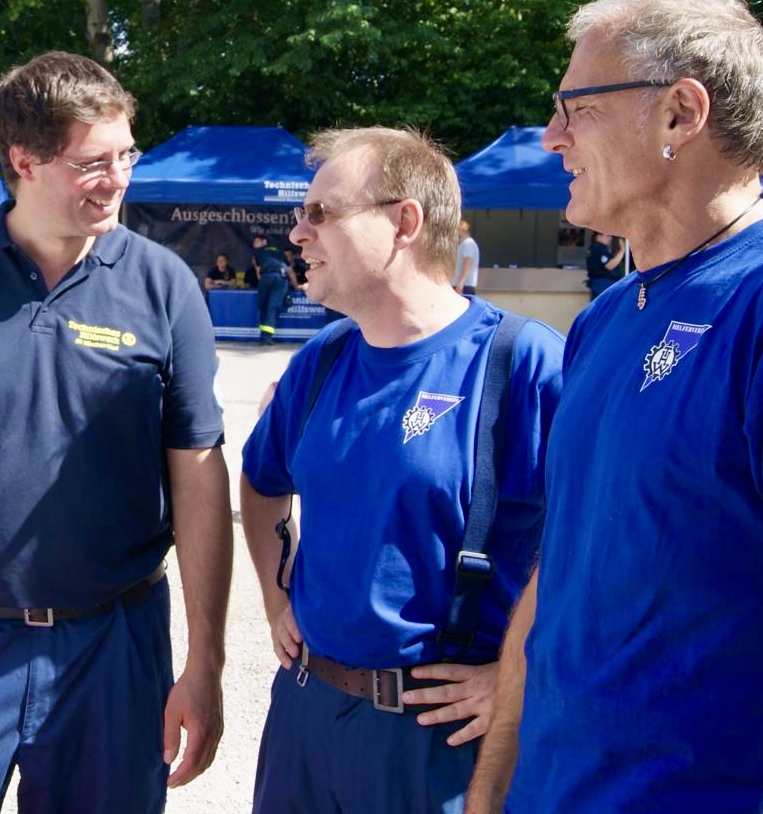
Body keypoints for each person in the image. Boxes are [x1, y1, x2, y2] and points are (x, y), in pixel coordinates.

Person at [467, 0, 763, 814]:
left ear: (679, 113)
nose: (550, 135)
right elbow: (556, 573)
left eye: (574, 106)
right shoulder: (607, 318)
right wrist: (490, 790)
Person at [0, 50, 231, 814]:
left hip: (111, 643)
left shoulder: (163, 287)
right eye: (93, 162)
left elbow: (197, 477)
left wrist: (206, 662)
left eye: (125, 153)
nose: (120, 177)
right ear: (23, 160)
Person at [239, 128, 564, 814]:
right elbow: (262, 482)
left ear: (403, 223)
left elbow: (596, 545)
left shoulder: (522, 365)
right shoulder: (320, 360)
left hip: (435, 742)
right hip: (304, 713)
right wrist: (277, 605)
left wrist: (518, 678)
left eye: (320, 213)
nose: (297, 233)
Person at [252, 229, 292, 343]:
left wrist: (262, 282)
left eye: (257, 242)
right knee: (272, 307)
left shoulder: (258, 252)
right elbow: (289, 270)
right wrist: (296, 285)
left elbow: (258, 270)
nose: (255, 245)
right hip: (281, 279)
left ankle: (263, 337)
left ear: (264, 241)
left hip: (266, 278)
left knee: (263, 306)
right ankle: (267, 337)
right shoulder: (280, 252)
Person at [583, 229, 625, 300]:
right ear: (599, 235)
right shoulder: (598, 248)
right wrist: (622, 251)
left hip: (602, 284)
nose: (610, 238)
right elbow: (609, 265)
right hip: (603, 284)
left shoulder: (599, 248)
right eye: (608, 236)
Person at [451, 221, 479, 296]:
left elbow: (468, 263)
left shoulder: (468, 244)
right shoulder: (463, 244)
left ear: (462, 230)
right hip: (461, 285)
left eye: (457, 230)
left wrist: (460, 283)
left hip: (464, 286)